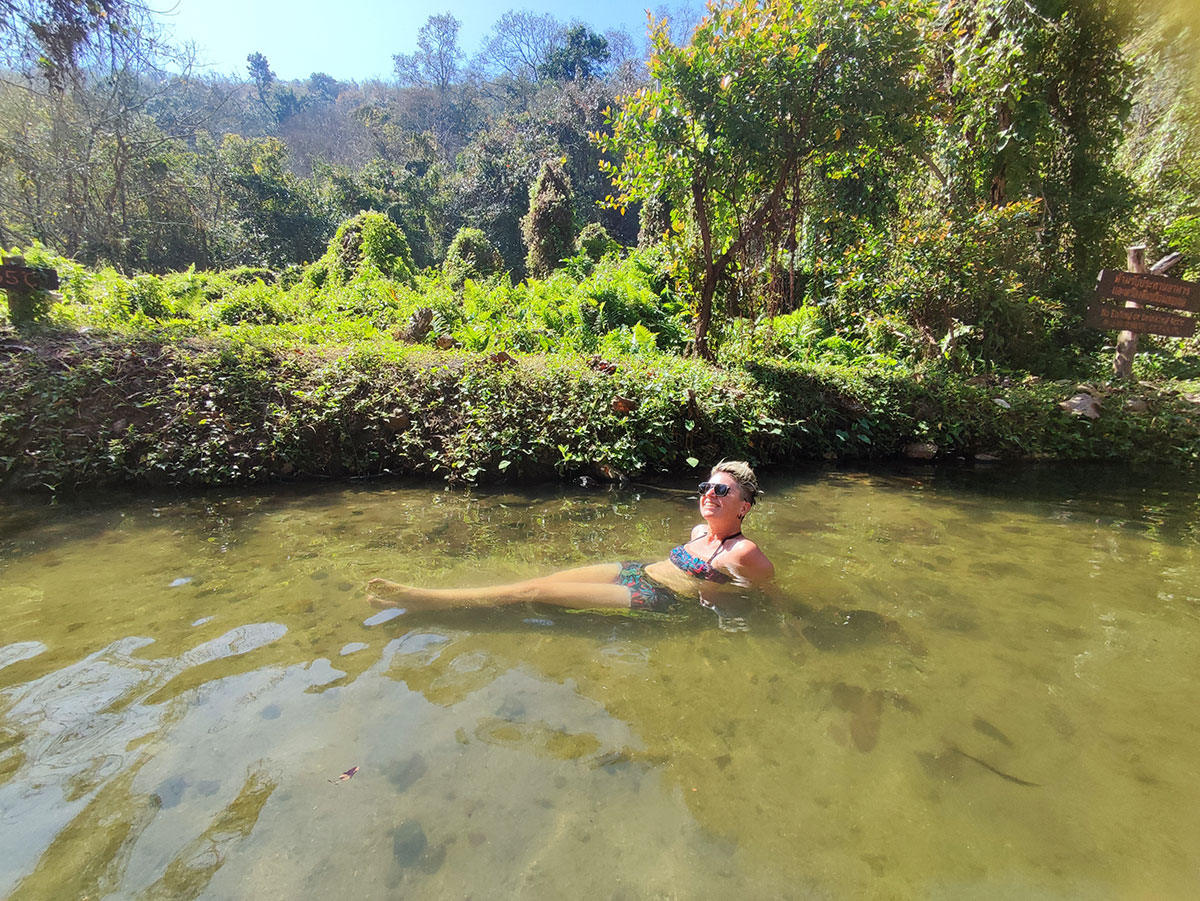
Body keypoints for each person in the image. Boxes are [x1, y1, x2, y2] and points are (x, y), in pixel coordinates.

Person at [367, 460, 774, 612]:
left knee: (534, 594)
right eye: (706, 487)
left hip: (655, 597)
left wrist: (724, 599)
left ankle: (425, 601)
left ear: (744, 506)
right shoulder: (699, 531)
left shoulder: (743, 551)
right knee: (536, 583)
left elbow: (766, 591)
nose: (709, 494)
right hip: (637, 572)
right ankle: (426, 605)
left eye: (722, 490)